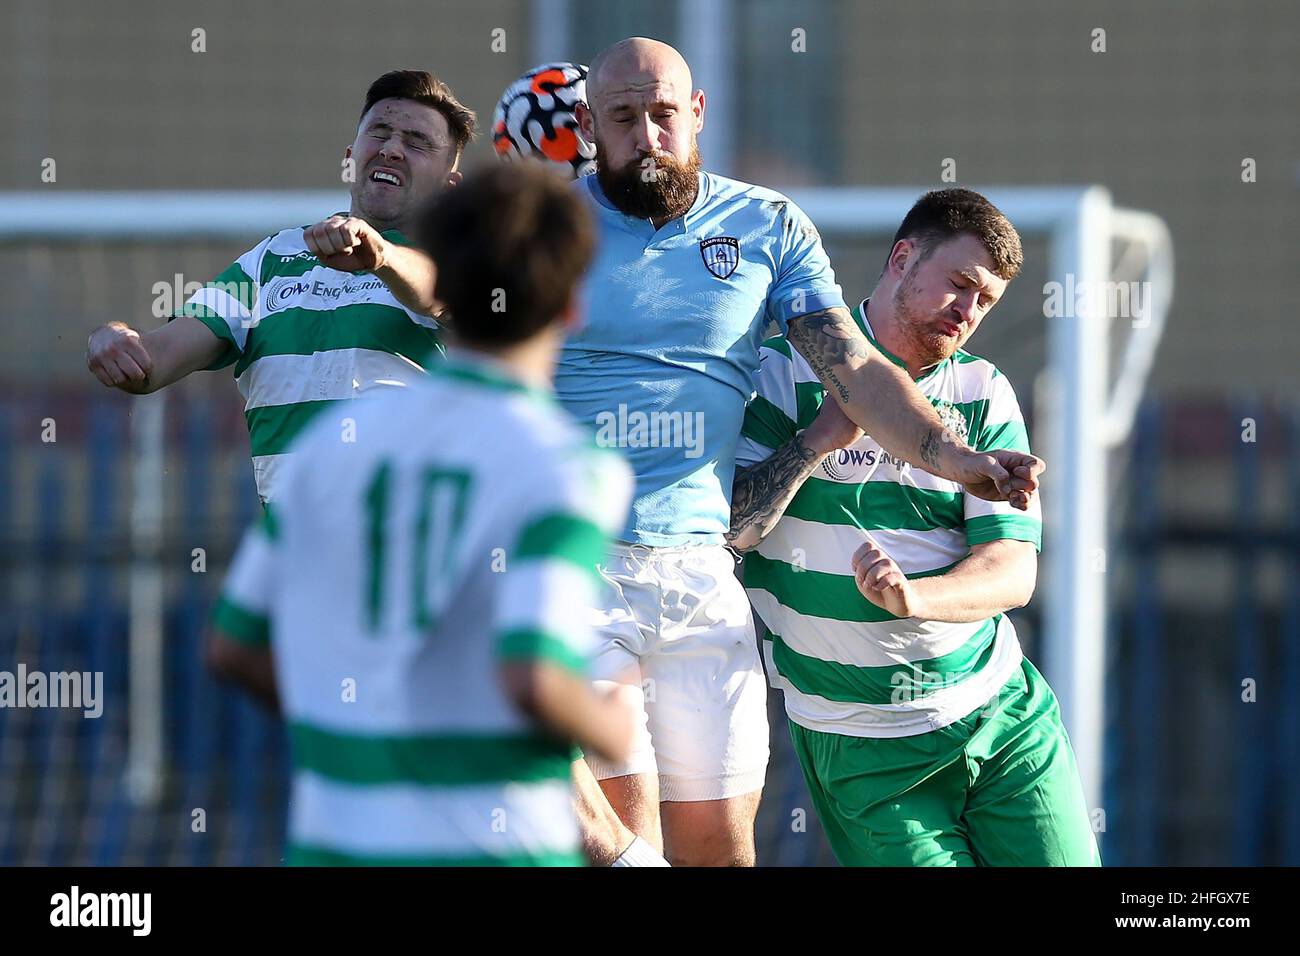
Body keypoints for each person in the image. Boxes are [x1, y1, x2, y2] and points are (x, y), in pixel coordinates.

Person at [354, 38, 1041, 866]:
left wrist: (953, 456)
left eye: (664, 114)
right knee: (616, 835)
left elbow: (854, 371)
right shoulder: (547, 228)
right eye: (623, 118)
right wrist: (388, 253)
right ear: (586, 125)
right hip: (579, 562)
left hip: (701, 571)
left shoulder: (767, 224)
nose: (647, 135)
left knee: (722, 849)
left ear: (698, 114)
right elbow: (457, 303)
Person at [205, 163, 637, 866]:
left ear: (446, 292)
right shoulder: (568, 465)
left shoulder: (329, 448)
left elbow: (233, 648)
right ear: (572, 309)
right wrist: (608, 725)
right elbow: (534, 677)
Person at [731, 188, 1098, 866]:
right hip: (863, 750)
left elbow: (1013, 572)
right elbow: (730, 530)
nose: (969, 310)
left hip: (999, 717)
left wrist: (915, 599)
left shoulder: (983, 393)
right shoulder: (781, 373)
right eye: (959, 284)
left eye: (986, 301)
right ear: (902, 258)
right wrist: (812, 444)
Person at [86, 69, 473, 502]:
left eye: (417, 142)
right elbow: (155, 360)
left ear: (448, 185)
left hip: (409, 551)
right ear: (351, 155)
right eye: (379, 132)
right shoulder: (269, 260)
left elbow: (439, 293)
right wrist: (119, 341)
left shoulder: (461, 260)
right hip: (293, 552)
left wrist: (380, 256)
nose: (392, 149)